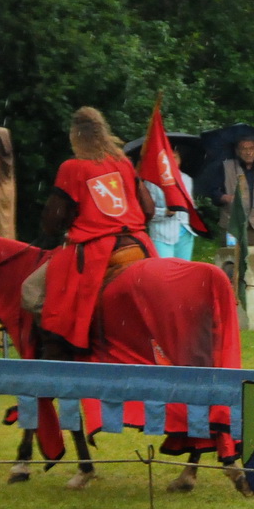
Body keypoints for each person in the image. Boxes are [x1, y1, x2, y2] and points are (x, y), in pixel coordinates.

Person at [39, 107, 155, 352]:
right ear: (104, 132)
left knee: (34, 291)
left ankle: (65, 345)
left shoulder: (72, 167)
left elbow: (53, 220)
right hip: (140, 242)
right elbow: (149, 210)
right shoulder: (123, 163)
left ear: (75, 136)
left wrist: (57, 229)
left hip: (97, 247)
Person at [147, 167, 198, 260]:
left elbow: (192, 205)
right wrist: (165, 212)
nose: (172, 160)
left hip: (186, 232)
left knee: (184, 271)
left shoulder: (186, 178)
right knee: (164, 271)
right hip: (162, 234)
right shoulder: (152, 181)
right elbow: (147, 212)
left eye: (175, 157)